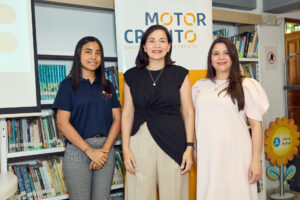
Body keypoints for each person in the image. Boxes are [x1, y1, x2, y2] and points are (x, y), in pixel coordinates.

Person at [121, 24, 195, 200]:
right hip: (139, 140)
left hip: (173, 141)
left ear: (169, 46)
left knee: (174, 194)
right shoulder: (131, 76)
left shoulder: (180, 74)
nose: (157, 45)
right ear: (144, 46)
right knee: (139, 194)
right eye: (151, 41)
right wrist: (126, 149)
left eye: (162, 41)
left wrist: (189, 148)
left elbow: (189, 112)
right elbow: (127, 115)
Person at [192, 37, 269, 200]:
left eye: (226, 53)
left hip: (237, 153)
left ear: (233, 57)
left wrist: (256, 160)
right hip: (208, 154)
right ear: (210, 59)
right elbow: (194, 121)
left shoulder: (246, 85)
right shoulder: (198, 86)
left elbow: (256, 125)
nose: (221, 57)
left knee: (238, 193)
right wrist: (195, 149)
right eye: (216, 53)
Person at [53, 36, 121, 200]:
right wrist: (90, 151)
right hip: (78, 150)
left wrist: (103, 152)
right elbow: (62, 123)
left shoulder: (108, 86)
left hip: (106, 150)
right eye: (88, 52)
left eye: (98, 53)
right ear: (78, 55)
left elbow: (118, 120)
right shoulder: (67, 85)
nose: (94, 57)